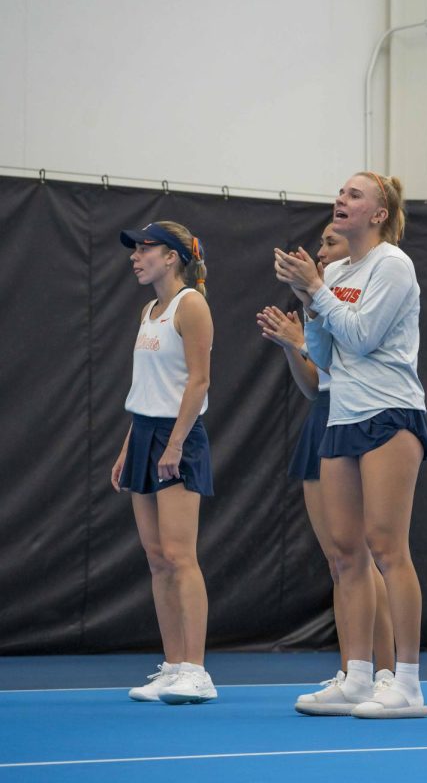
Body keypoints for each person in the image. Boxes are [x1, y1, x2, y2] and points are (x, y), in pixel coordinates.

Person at [275, 172, 427, 719]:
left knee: (388, 549)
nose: (341, 199)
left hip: (390, 412)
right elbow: (324, 356)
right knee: (345, 554)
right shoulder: (337, 269)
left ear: (379, 214)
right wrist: (310, 301)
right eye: (340, 192)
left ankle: (408, 683)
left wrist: (316, 291)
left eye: (355, 195)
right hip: (340, 415)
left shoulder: (393, 264)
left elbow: (365, 338)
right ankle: (359, 677)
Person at [256, 223, 396, 705]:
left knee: (365, 559)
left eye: (330, 244)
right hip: (325, 418)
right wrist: (294, 346)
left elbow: (358, 355)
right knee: (340, 562)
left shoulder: (370, 287)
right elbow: (315, 382)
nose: (321, 253)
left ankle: (385, 673)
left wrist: (309, 321)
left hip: (364, 416)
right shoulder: (321, 300)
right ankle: (351, 671)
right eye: (320, 247)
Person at [112, 220, 217, 705]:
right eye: (134, 250)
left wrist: (174, 445)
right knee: (157, 561)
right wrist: (129, 446)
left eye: (144, 249)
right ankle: (173, 665)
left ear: (171, 256)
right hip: (145, 435)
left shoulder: (190, 305)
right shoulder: (147, 310)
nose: (135, 256)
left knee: (180, 556)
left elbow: (198, 383)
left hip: (180, 437)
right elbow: (147, 388)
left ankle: (197, 670)